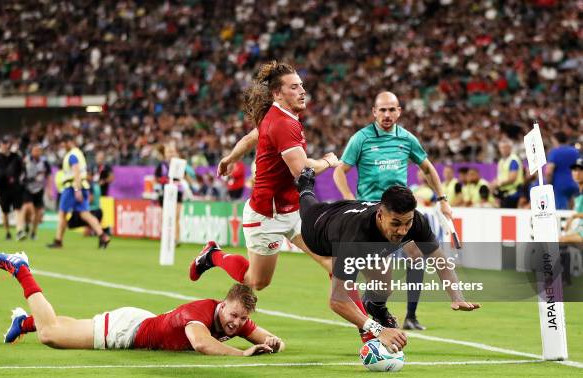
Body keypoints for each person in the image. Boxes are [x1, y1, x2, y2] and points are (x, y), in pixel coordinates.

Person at [189, 61, 342, 292]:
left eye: (301, 85)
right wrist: (328, 161)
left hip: (294, 209)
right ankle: (213, 256)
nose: (302, 91)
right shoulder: (281, 123)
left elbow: (252, 136)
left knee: (334, 263)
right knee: (258, 281)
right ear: (277, 94)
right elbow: (302, 171)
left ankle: (368, 326)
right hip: (267, 214)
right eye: (294, 87)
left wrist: (230, 158)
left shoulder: (279, 114)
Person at [297, 169, 480, 350]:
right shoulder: (354, 237)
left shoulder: (416, 221)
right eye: (396, 224)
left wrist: (457, 297)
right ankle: (305, 184)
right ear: (380, 215)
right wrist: (378, 330)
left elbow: (439, 260)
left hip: (354, 216)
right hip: (318, 227)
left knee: (384, 284)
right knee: (307, 202)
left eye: (407, 223)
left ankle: (376, 307)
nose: (402, 231)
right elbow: (338, 301)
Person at [0, 253, 284, 356]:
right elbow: (202, 344)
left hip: (139, 323)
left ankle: (23, 322)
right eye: (233, 315)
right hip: (129, 330)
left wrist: (272, 342)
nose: (236, 323)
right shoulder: (200, 313)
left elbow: (268, 341)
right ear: (222, 305)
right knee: (52, 335)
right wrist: (242, 353)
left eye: (242, 319)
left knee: (66, 327)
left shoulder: (235, 318)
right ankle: (20, 268)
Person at [332, 91, 453, 331]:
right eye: (383, 110)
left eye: (392, 109)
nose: (387, 114)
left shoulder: (407, 139)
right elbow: (339, 171)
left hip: (401, 213)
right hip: (373, 216)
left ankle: (410, 315)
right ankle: (369, 314)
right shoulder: (361, 138)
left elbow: (427, 168)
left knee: (417, 255)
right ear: (374, 112)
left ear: (399, 111)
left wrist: (442, 199)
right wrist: (350, 201)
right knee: (381, 279)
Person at [47, 134, 109, 249]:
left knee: (62, 213)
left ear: (68, 142)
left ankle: (58, 240)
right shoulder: (79, 153)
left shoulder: (72, 155)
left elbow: (76, 170)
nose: (63, 146)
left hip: (72, 187)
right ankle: (103, 235)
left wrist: (77, 189)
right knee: (85, 214)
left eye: (63, 144)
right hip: (83, 186)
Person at [21, 144, 51, 240]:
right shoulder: (26, 160)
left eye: (38, 150)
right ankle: (26, 224)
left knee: (38, 212)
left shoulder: (44, 162)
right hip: (28, 188)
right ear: (31, 151)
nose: (37, 152)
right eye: (35, 150)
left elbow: (49, 176)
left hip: (39, 189)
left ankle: (33, 233)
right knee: (29, 209)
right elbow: (21, 174)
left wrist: (49, 189)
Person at [546, 132, 579, 210]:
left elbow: (549, 171)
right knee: (574, 209)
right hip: (575, 183)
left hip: (560, 185)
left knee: (561, 212)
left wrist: (548, 183)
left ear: (555, 140)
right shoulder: (575, 151)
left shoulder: (555, 152)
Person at [491, 138, 524, 208]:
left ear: (510, 148)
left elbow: (512, 178)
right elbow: (500, 176)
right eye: (501, 148)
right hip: (504, 193)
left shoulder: (513, 160)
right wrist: (493, 183)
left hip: (513, 193)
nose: (503, 150)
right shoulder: (501, 161)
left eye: (506, 147)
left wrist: (498, 183)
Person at [560, 157, 583, 244]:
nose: (577, 173)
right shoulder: (576, 192)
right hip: (579, 230)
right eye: (574, 170)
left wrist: (574, 216)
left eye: (581, 170)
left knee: (561, 241)